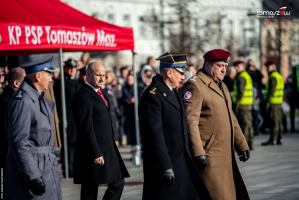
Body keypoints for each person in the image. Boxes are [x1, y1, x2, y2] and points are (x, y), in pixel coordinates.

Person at [139, 52, 212, 200]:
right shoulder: (152, 96)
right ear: (170, 73)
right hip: (165, 165)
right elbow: (154, 136)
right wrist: (165, 166)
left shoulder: (170, 91)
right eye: (181, 72)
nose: (183, 76)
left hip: (180, 161)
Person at [180, 49, 250, 200]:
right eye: (219, 65)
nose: (224, 69)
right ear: (207, 65)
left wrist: (241, 145)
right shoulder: (195, 85)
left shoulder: (221, 85)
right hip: (209, 156)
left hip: (226, 154)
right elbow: (190, 122)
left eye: (225, 65)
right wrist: (198, 152)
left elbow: (231, 116)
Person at [5, 55, 62, 200]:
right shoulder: (22, 101)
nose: (51, 79)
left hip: (45, 168)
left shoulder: (37, 98)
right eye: (48, 74)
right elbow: (19, 142)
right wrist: (32, 175)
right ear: (38, 75)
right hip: (35, 170)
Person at [72, 62, 130, 200]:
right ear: (88, 75)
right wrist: (95, 152)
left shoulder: (101, 92)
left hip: (107, 148)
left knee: (118, 182)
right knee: (90, 189)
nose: (102, 78)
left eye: (104, 75)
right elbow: (86, 127)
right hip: (92, 151)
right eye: (98, 75)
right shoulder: (83, 96)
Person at [0, 67, 25, 199]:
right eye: (24, 82)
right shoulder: (6, 101)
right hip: (4, 156)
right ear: (16, 84)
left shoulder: (12, 99)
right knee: (3, 191)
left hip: (10, 155)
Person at [54, 58, 77, 178]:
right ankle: (68, 168)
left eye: (74, 68)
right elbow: (59, 101)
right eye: (70, 68)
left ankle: (74, 167)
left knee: (75, 144)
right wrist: (62, 118)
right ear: (65, 68)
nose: (72, 70)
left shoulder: (77, 82)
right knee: (67, 145)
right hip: (66, 117)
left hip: (75, 118)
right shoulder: (61, 82)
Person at [232, 60, 254, 150]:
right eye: (236, 66)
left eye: (238, 66)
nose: (236, 68)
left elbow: (240, 93)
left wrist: (236, 106)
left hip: (242, 105)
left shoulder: (241, 77)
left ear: (243, 67)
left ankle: (244, 145)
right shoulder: (246, 76)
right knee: (248, 125)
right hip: (248, 104)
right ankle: (250, 143)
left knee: (244, 125)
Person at [262, 61, 285, 145]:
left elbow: (271, 91)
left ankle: (272, 139)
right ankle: (279, 138)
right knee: (279, 121)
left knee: (274, 122)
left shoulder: (273, 77)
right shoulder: (279, 76)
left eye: (268, 67)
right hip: (279, 102)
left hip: (273, 103)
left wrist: (267, 103)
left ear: (273, 66)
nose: (267, 69)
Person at [121, 75, 136, 146]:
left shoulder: (136, 87)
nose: (129, 81)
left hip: (135, 111)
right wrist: (126, 100)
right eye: (128, 79)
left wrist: (134, 99)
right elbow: (120, 99)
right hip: (127, 111)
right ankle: (130, 140)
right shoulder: (124, 88)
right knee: (128, 127)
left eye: (131, 79)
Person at [285, 66, 299, 132]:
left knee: (293, 112)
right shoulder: (291, 76)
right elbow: (288, 83)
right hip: (292, 96)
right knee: (292, 112)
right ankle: (292, 127)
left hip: (295, 96)